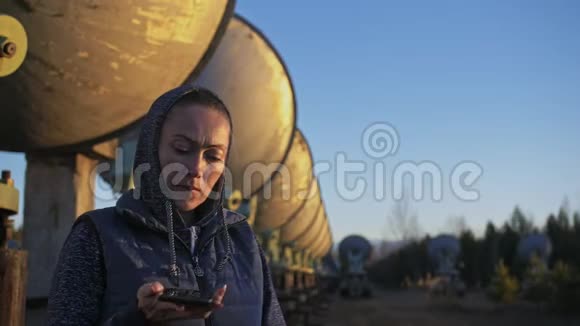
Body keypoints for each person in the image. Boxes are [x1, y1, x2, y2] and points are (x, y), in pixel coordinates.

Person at [47, 86, 286, 326]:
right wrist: (136, 320)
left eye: (213, 156)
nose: (196, 168)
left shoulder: (243, 240)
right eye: (182, 149)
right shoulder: (96, 236)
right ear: (151, 149)